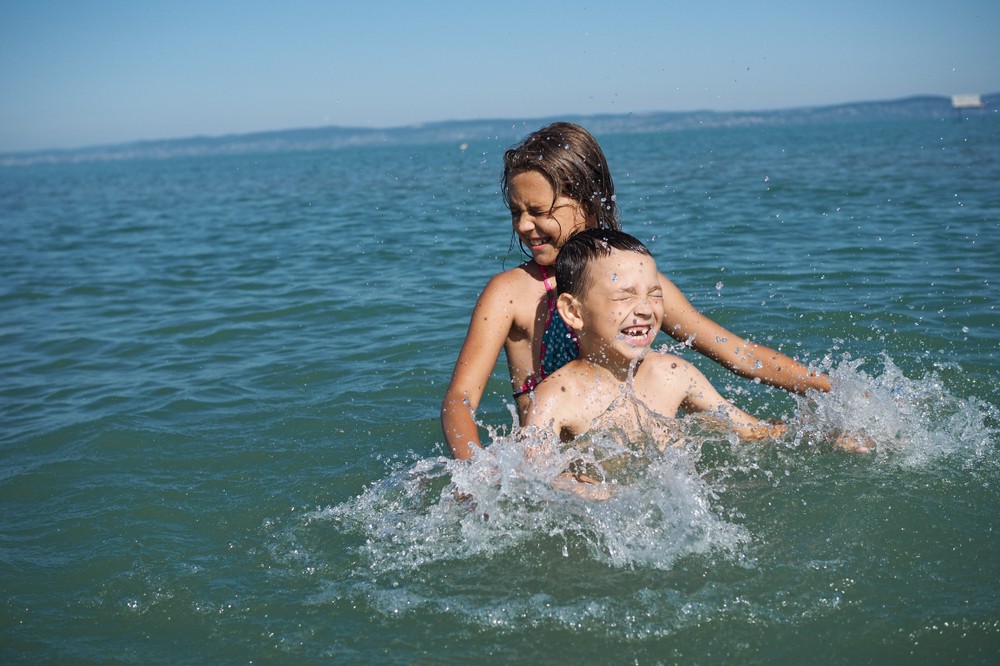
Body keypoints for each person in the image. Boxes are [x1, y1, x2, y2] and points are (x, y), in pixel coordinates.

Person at [442, 122, 829, 459]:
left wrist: (828, 387)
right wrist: (475, 474)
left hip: (640, 453)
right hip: (556, 471)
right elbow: (460, 401)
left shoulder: (635, 285)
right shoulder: (510, 293)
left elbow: (738, 353)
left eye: (540, 212)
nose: (525, 226)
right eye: (516, 212)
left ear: (588, 202)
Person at [524, 228, 785, 446]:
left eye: (655, 295)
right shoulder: (557, 396)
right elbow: (532, 478)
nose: (645, 309)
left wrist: (807, 432)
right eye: (624, 296)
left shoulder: (672, 375)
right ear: (573, 312)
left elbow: (751, 431)